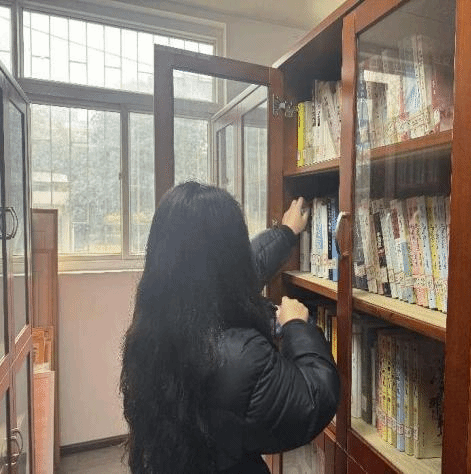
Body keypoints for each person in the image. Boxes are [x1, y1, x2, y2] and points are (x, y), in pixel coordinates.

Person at [120, 181, 340, 474]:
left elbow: (243, 272)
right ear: (231, 255)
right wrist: (297, 326)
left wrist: (285, 233)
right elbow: (315, 399)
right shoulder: (240, 356)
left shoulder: (153, 324)